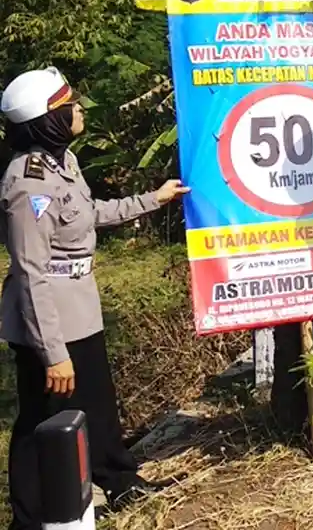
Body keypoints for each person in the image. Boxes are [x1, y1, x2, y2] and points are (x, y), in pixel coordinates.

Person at [0, 67, 190, 529]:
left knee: (99, 404)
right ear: (48, 120)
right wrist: (52, 353)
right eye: (70, 106)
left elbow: (87, 216)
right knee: (41, 422)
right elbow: (30, 273)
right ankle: (30, 516)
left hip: (80, 308)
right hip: (49, 321)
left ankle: (118, 480)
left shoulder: (62, 162)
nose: (80, 110)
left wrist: (153, 199)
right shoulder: (29, 185)